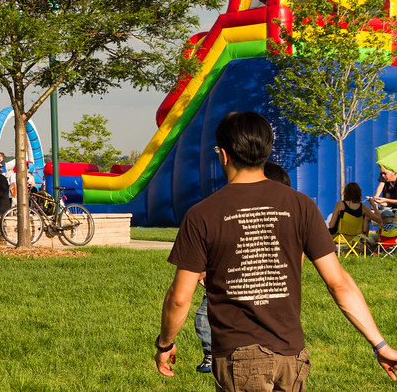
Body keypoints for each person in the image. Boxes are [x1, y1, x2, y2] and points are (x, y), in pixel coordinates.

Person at [155, 111, 397, 389]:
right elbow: (339, 283)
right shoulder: (301, 205)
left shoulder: (202, 214)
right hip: (292, 356)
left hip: (237, 358)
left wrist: (165, 343)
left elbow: (179, 298)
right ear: (266, 152)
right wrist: (380, 344)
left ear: (223, 154)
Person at [192, 160, 293, 375]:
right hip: (283, 349)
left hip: (250, 346)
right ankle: (210, 352)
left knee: (204, 318)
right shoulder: (235, 221)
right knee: (203, 318)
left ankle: (211, 352)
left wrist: (165, 342)